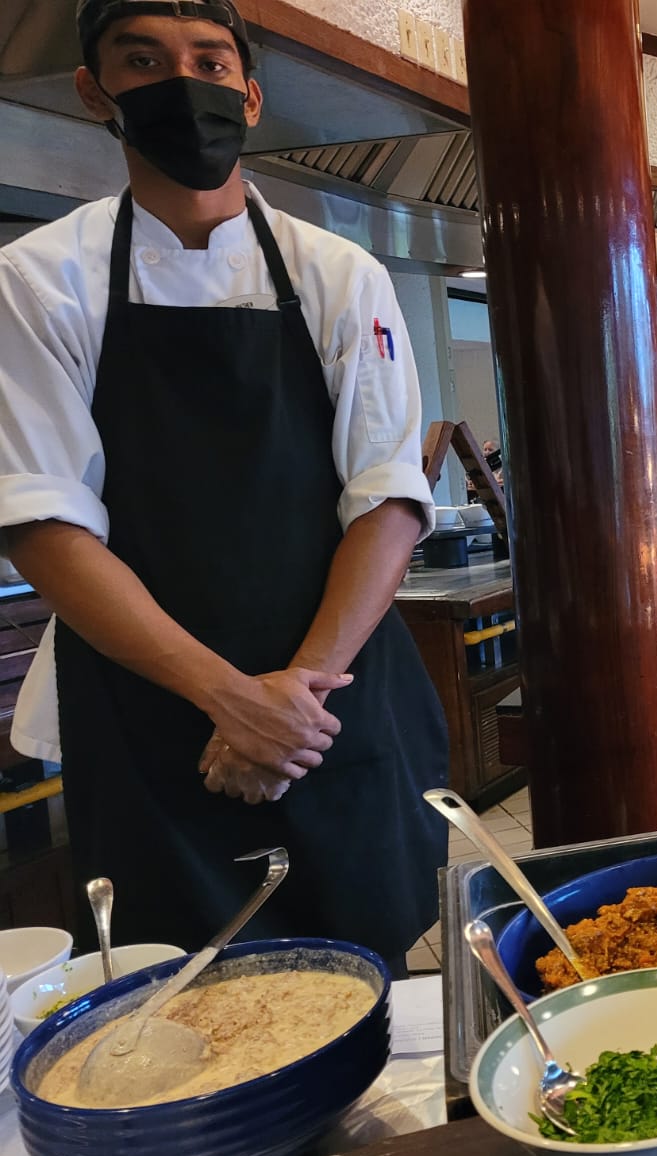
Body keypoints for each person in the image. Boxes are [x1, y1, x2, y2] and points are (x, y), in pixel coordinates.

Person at [0, 0, 447, 972]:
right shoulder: (38, 282)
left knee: (383, 981)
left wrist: (287, 698)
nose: (183, 84)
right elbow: (44, 524)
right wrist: (229, 699)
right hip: (151, 710)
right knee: (182, 999)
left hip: (332, 701)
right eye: (144, 60)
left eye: (209, 61)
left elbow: (387, 496)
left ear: (248, 93)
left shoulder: (340, 274)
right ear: (94, 92)